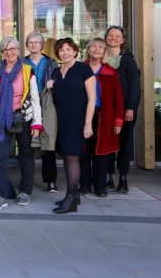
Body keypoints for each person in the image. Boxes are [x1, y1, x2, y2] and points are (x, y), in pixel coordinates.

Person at [0, 36, 43, 210]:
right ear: (2, 53)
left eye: (12, 49)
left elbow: (35, 99)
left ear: (18, 50)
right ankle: (1, 194)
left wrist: (37, 124)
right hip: (1, 119)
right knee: (0, 158)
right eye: (5, 49)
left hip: (24, 119)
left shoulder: (27, 71)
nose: (9, 52)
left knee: (25, 156)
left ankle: (25, 191)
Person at [48, 37, 96, 214]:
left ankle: (71, 196)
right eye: (61, 50)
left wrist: (88, 124)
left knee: (72, 157)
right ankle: (74, 196)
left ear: (75, 51)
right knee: (66, 156)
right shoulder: (56, 72)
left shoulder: (84, 69)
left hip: (78, 120)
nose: (65, 53)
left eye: (68, 49)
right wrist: (50, 85)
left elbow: (92, 99)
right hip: (61, 120)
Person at [81, 38, 124, 198]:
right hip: (84, 114)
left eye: (100, 47)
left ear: (104, 52)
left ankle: (100, 186)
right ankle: (85, 184)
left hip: (105, 116)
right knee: (84, 151)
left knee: (102, 152)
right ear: (88, 49)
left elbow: (118, 99)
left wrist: (118, 120)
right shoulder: (80, 69)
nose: (97, 49)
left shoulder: (111, 71)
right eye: (94, 46)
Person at [104, 26, 140, 193]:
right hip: (105, 110)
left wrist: (131, 108)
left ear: (123, 40)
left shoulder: (128, 60)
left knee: (124, 144)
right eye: (111, 35)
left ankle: (123, 177)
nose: (113, 38)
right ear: (106, 38)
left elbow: (134, 86)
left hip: (125, 109)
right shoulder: (100, 58)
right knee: (107, 143)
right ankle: (108, 176)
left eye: (117, 36)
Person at [23, 31, 60, 193]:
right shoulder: (22, 62)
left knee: (47, 141)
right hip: (27, 105)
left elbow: (58, 81)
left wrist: (54, 83)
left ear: (42, 45)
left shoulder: (51, 63)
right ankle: (27, 180)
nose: (33, 45)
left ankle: (50, 180)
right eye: (30, 42)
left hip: (46, 104)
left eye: (37, 42)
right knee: (27, 144)